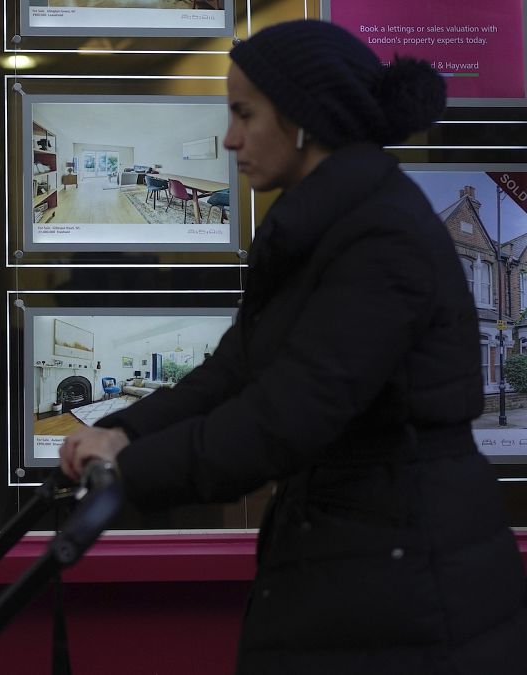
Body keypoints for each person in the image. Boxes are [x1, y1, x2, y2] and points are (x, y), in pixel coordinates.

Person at [59, 19, 527, 673]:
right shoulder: (326, 226)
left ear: (304, 119)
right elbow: (233, 371)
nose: (230, 137)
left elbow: (288, 413)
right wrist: (122, 431)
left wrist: (134, 469)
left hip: (411, 591)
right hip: (360, 568)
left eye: (244, 113)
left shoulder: (380, 238)